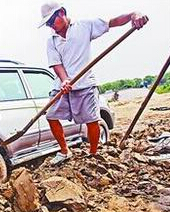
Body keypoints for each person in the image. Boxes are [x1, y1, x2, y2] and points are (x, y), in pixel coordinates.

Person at [38, 1, 148, 165]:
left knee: (92, 120)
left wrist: (134, 15)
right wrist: (65, 80)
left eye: (51, 21)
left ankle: (93, 153)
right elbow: (56, 63)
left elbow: (112, 22)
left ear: (61, 12)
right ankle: (64, 151)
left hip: (85, 84)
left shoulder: (84, 26)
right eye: (47, 23)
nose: (50, 27)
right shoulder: (51, 41)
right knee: (51, 116)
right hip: (62, 86)